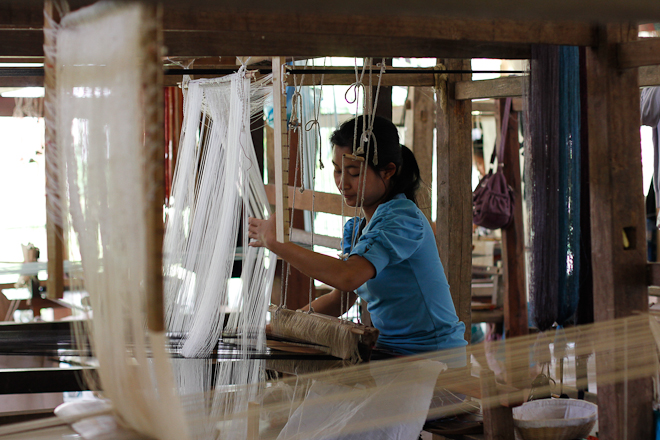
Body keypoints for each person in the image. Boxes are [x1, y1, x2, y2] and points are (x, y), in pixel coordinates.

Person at [248, 115, 467, 368]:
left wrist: (278, 244)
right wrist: (283, 327)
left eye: (353, 173)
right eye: (337, 170)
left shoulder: (402, 219)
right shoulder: (358, 230)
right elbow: (340, 299)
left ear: (388, 171)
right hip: (391, 354)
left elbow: (347, 276)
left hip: (435, 360)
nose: (342, 183)